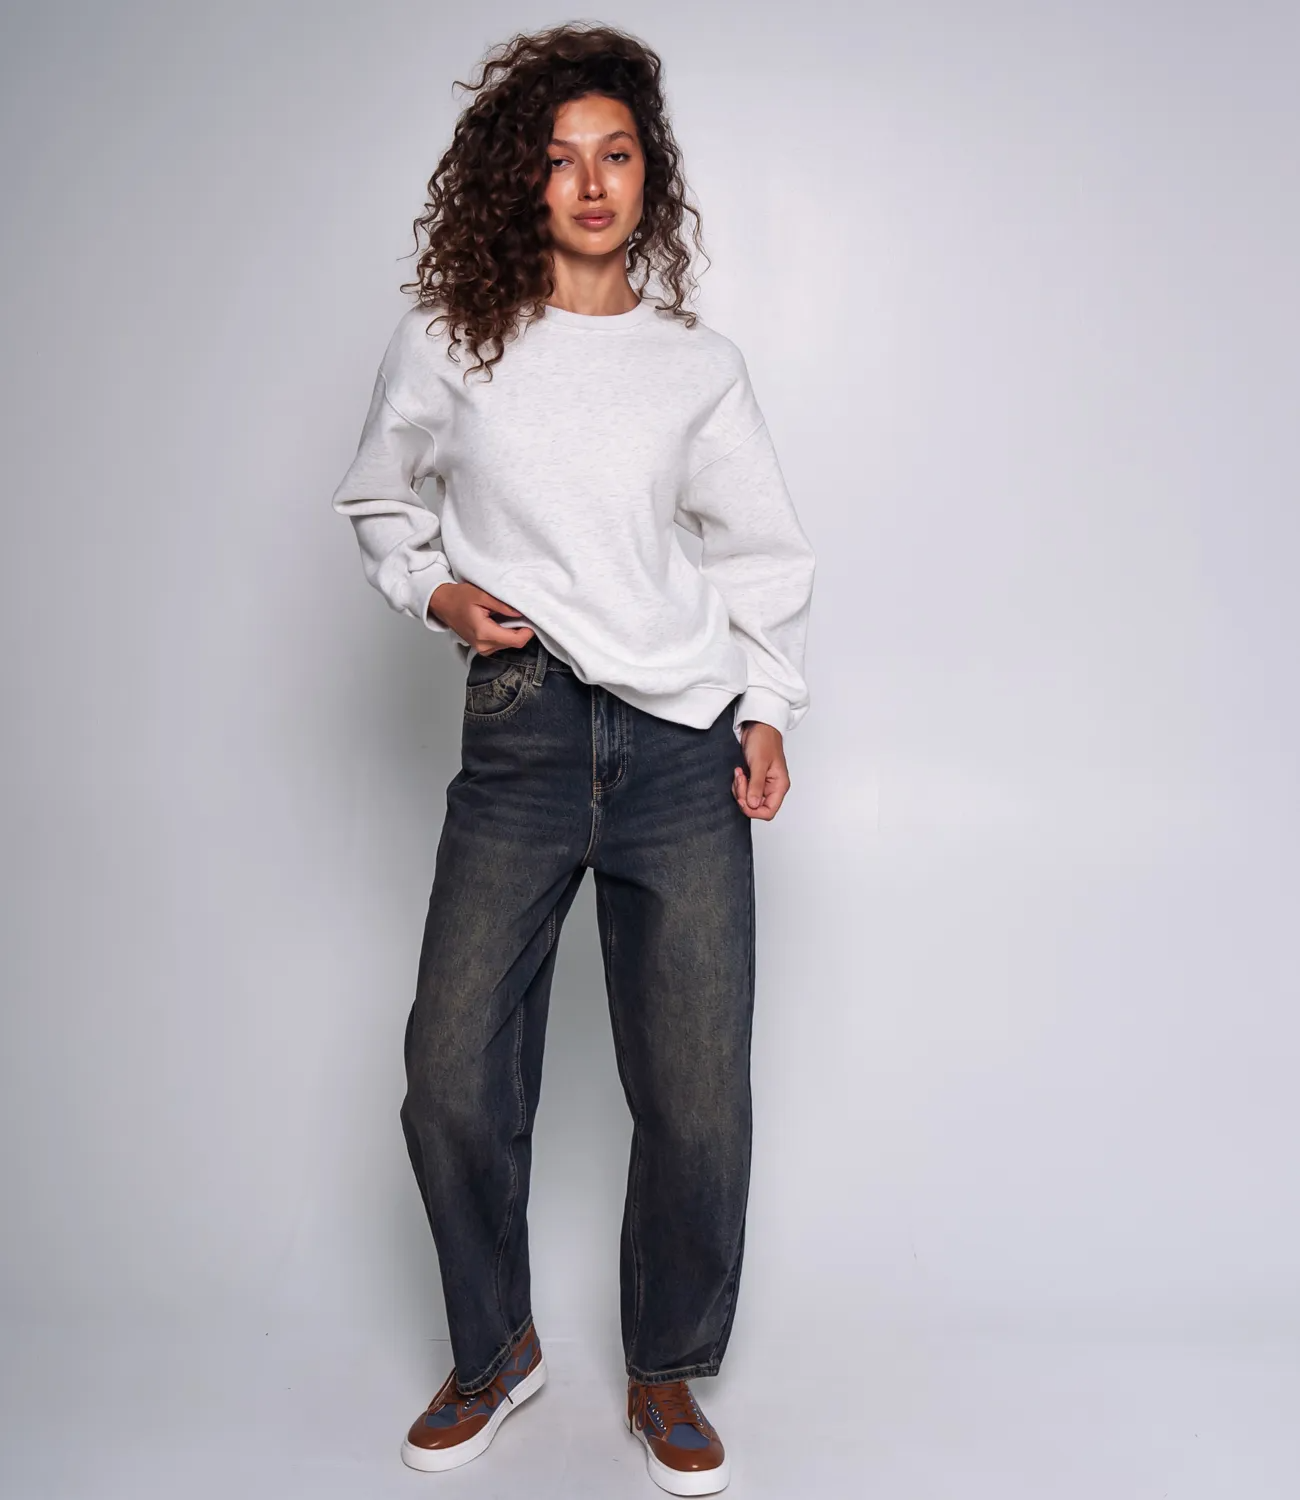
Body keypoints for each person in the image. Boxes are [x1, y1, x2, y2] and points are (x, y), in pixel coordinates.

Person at [330, 23, 815, 1497]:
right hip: (525, 729)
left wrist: (768, 705)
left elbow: (760, 549)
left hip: (680, 742)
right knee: (450, 1071)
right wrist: (435, 592)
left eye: (617, 155)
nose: (592, 184)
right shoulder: (453, 340)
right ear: (519, 179)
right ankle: (496, 1349)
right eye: (560, 159)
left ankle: (665, 1366)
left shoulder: (695, 366)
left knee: (696, 1092)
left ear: (649, 176)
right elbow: (380, 499)